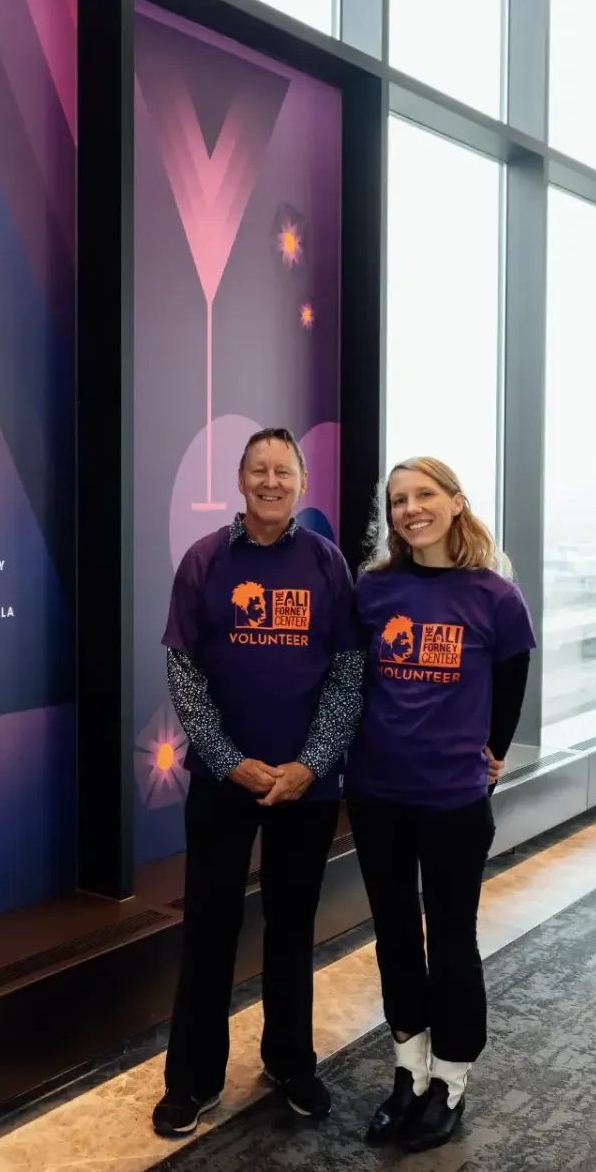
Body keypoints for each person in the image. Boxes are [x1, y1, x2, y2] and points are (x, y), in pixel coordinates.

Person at [151, 427, 365, 1137]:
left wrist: (311, 762)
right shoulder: (206, 561)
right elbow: (184, 670)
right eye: (259, 469)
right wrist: (228, 759)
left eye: (284, 470)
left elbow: (346, 671)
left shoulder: (327, 564)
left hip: (308, 786)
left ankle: (290, 1060)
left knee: (292, 925)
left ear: (301, 484)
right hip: (223, 780)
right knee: (209, 924)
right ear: (240, 481)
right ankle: (193, 1079)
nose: (272, 481)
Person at [346, 457, 534, 1152]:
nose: (410, 508)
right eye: (398, 499)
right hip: (376, 793)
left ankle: (452, 1077)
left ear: (456, 503)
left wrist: (493, 751)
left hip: (453, 801)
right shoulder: (375, 589)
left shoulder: (494, 596)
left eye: (424, 494)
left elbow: (512, 679)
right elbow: (354, 680)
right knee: (395, 935)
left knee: (452, 940)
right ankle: (408, 1073)